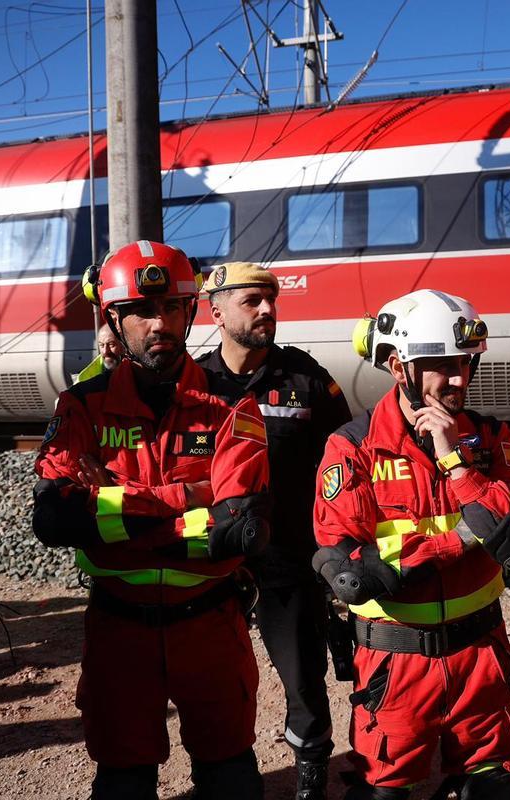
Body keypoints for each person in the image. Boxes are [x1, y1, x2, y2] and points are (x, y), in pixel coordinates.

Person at [32, 240, 272, 800]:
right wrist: (193, 495)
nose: (158, 322)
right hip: (120, 633)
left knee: (229, 774)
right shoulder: (81, 406)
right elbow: (54, 518)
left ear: (189, 311)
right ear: (114, 318)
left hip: (211, 627)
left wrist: (113, 500)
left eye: (169, 308)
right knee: (123, 780)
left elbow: (236, 529)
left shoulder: (233, 403)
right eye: (141, 310)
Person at [312, 289, 510, 800]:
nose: (460, 378)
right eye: (442, 366)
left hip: (482, 656)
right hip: (396, 665)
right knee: (385, 790)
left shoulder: (486, 437)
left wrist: (454, 463)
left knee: (491, 787)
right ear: (399, 367)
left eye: (465, 363)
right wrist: (462, 538)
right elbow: (351, 571)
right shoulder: (352, 447)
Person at [196, 262, 353, 800]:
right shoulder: (193, 383)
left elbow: (345, 463)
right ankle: (222, 778)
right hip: (216, 567)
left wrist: (338, 553)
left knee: (305, 682)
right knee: (213, 683)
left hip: (291, 563)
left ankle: (311, 775)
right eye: (251, 301)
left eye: (271, 300)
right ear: (215, 311)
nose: (267, 310)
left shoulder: (304, 377)